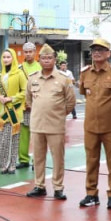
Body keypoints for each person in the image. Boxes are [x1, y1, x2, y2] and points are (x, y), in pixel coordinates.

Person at [77, 38, 111, 209]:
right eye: (94, 50)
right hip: (90, 125)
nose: (97, 52)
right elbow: (84, 93)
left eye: (101, 49)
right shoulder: (85, 72)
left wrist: (108, 108)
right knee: (91, 160)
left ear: (109, 53)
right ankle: (91, 194)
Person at [24, 45, 76, 200]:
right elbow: (28, 100)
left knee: (57, 158)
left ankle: (58, 188)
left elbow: (70, 102)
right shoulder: (32, 78)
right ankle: (39, 185)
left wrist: (58, 114)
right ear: (39, 60)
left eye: (49, 58)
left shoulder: (63, 79)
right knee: (38, 157)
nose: (46, 61)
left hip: (55, 126)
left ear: (55, 60)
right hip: (37, 125)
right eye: (43, 58)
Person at [0, 48, 26, 174]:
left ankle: (12, 164)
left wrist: (12, 98)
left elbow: (24, 92)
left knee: (14, 138)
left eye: (8, 57)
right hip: (1, 112)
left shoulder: (19, 73)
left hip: (14, 112)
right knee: (2, 139)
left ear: (13, 58)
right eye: (4, 57)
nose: (6, 59)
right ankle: (3, 164)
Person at [17, 42, 41, 169]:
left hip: (37, 105)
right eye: (25, 52)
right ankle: (23, 159)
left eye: (30, 51)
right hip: (23, 105)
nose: (28, 54)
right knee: (23, 132)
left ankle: (36, 160)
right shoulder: (19, 68)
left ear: (35, 52)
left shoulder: (40, 67)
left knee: (37, 134)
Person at [56, 54, 77, 119]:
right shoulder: (57, 72)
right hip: (60, 89)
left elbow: (72, 80)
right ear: (60, 66)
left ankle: (74, 114)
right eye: (62, 65)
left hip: (68, 89)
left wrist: (72, 82)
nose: (64, 67)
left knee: (70, 102)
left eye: (65, 65)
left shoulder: (69, 72)